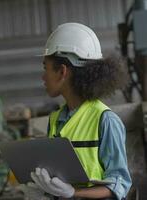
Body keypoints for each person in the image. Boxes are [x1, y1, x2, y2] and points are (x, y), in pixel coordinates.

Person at [29, 23, 131, 199]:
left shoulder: (105, 120)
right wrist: (45, 191)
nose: (43, 76)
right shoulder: (55, 120)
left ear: (62, 71)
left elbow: (120, 184)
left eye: (46, 68)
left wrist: (74, 193)